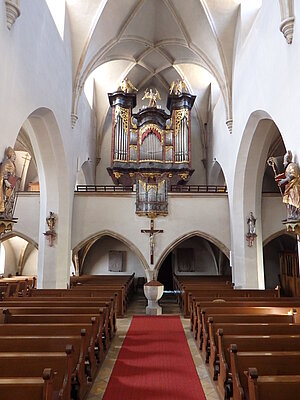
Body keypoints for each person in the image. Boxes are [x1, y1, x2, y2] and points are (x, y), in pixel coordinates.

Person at [276, 150, 300, 221]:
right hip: (289, 187)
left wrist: (284, 180)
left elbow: (293, 175)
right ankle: (291, 215)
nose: (283, 163)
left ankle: (296, 215)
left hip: (294, 187)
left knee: (293, 201)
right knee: (288, 201)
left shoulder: (293, 165)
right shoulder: (287, 167)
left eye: (284, 162)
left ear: (287, 160)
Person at [0, 147, 18, 217]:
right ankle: (3, 211)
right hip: (6, 184)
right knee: (5, 196)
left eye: (15, 156)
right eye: (13, 156)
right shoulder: (7, 163)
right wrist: (6, 181)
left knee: (10, 199)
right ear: (10, 155)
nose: (15, 157)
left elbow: (12, 174)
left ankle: (7, 212)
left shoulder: (13, 164)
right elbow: (3, 172)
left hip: (11, 184)